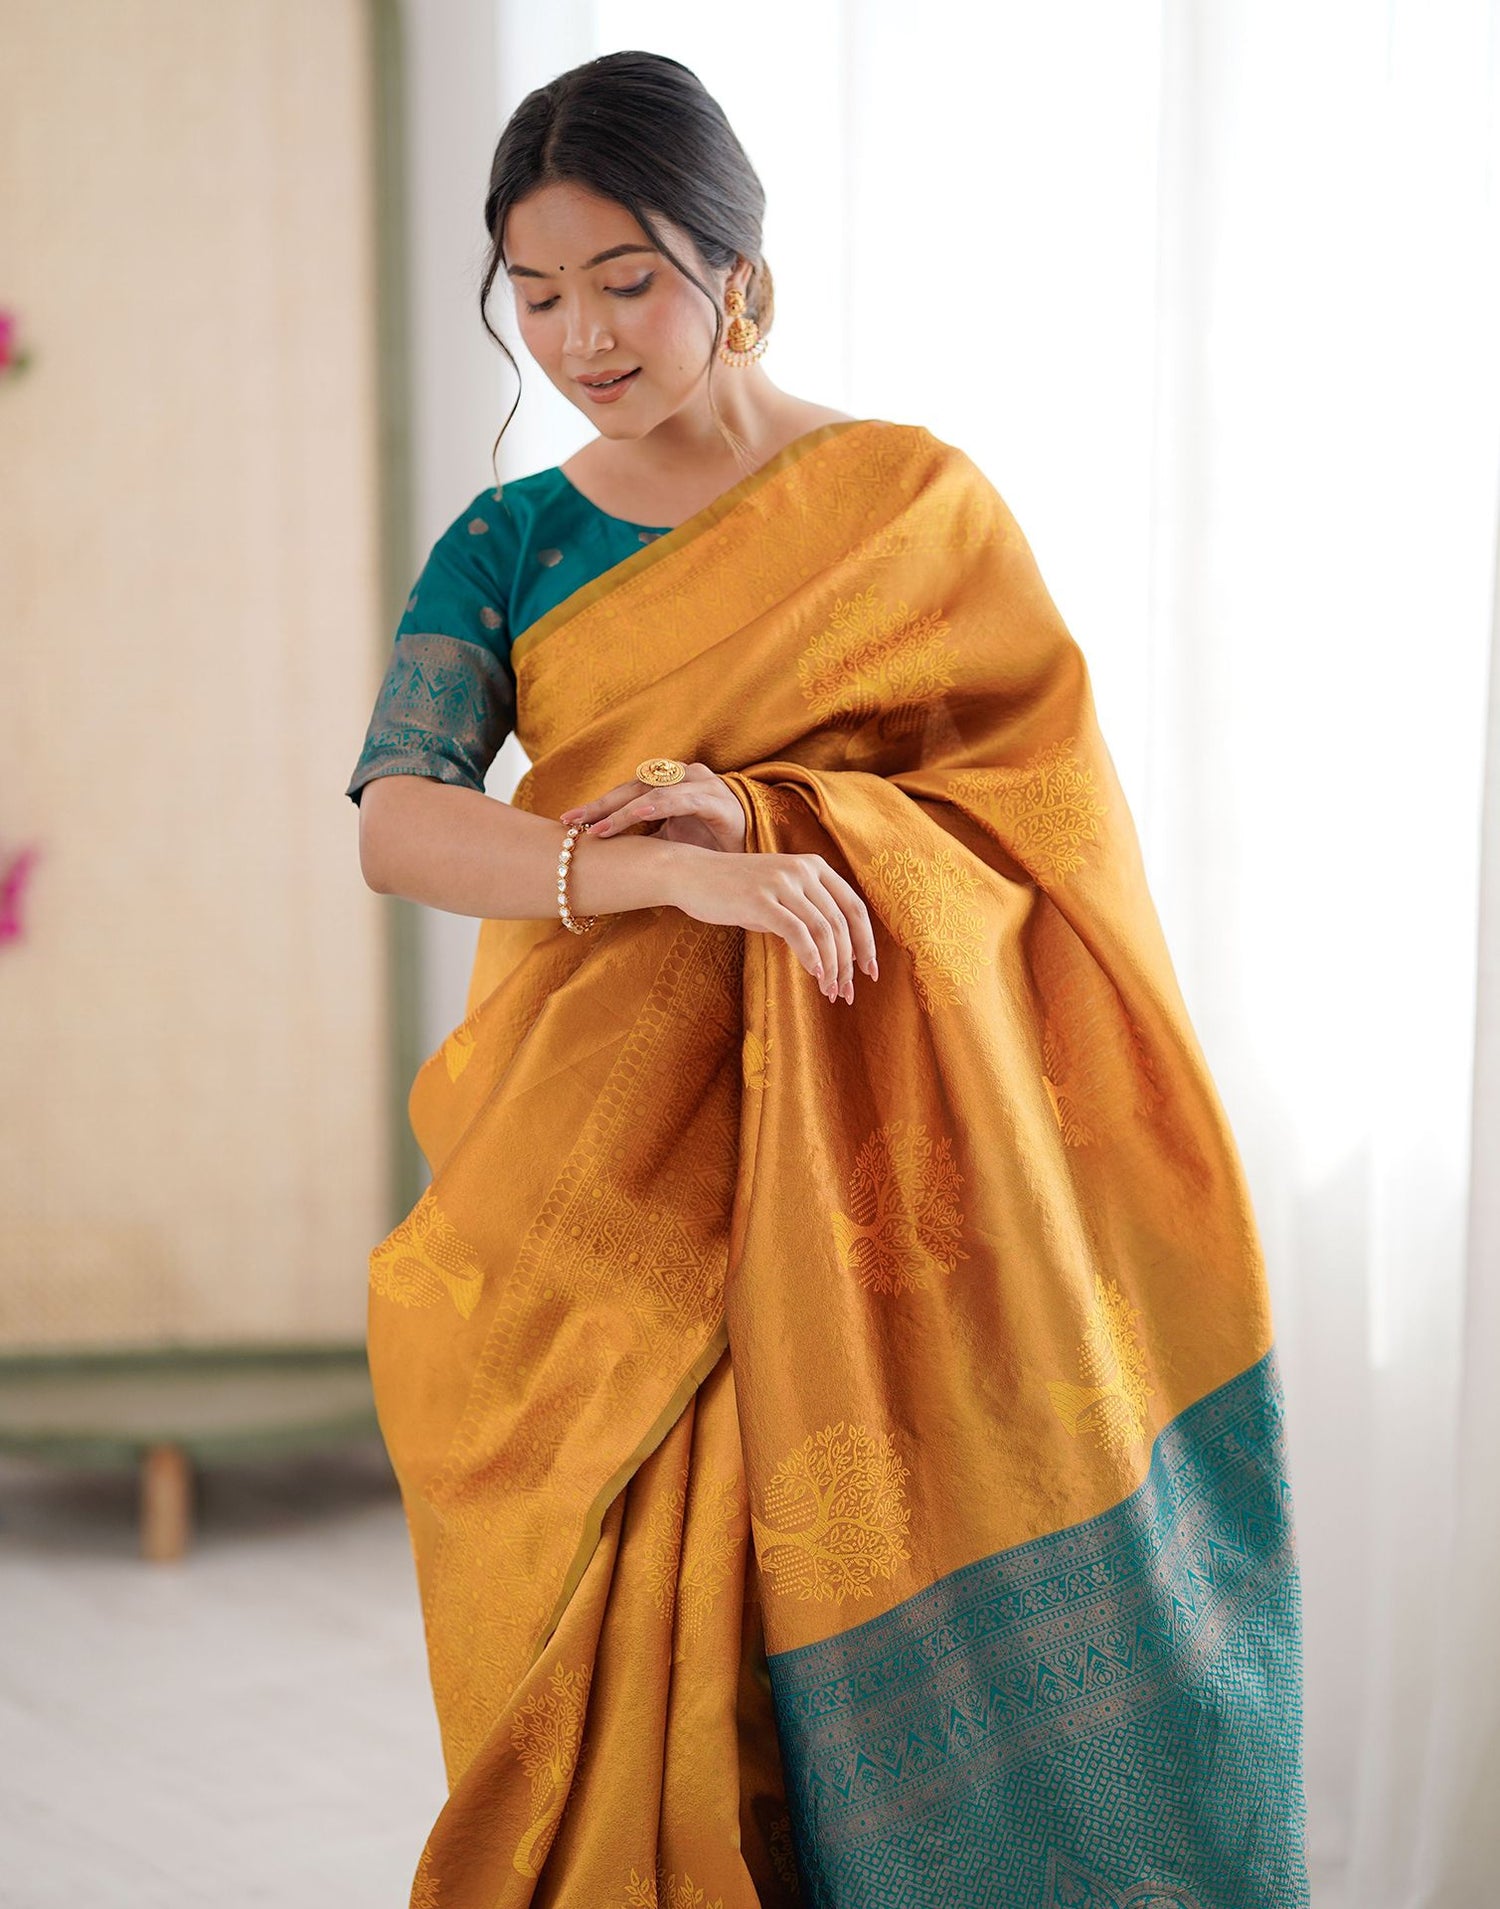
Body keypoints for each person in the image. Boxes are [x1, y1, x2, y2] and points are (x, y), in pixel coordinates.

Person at [347, 49, 1309, 1909]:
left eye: (625, 279)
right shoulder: (514, 540)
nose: (582, 338)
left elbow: (1050, 827)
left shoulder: (913, 510)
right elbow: (399, 819)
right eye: (535, 296)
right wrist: (669, 876)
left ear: (737, 265)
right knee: (642, 1637)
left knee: (815, 1623)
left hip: (880, 1183)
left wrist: (787, 821)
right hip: (605, 1183)